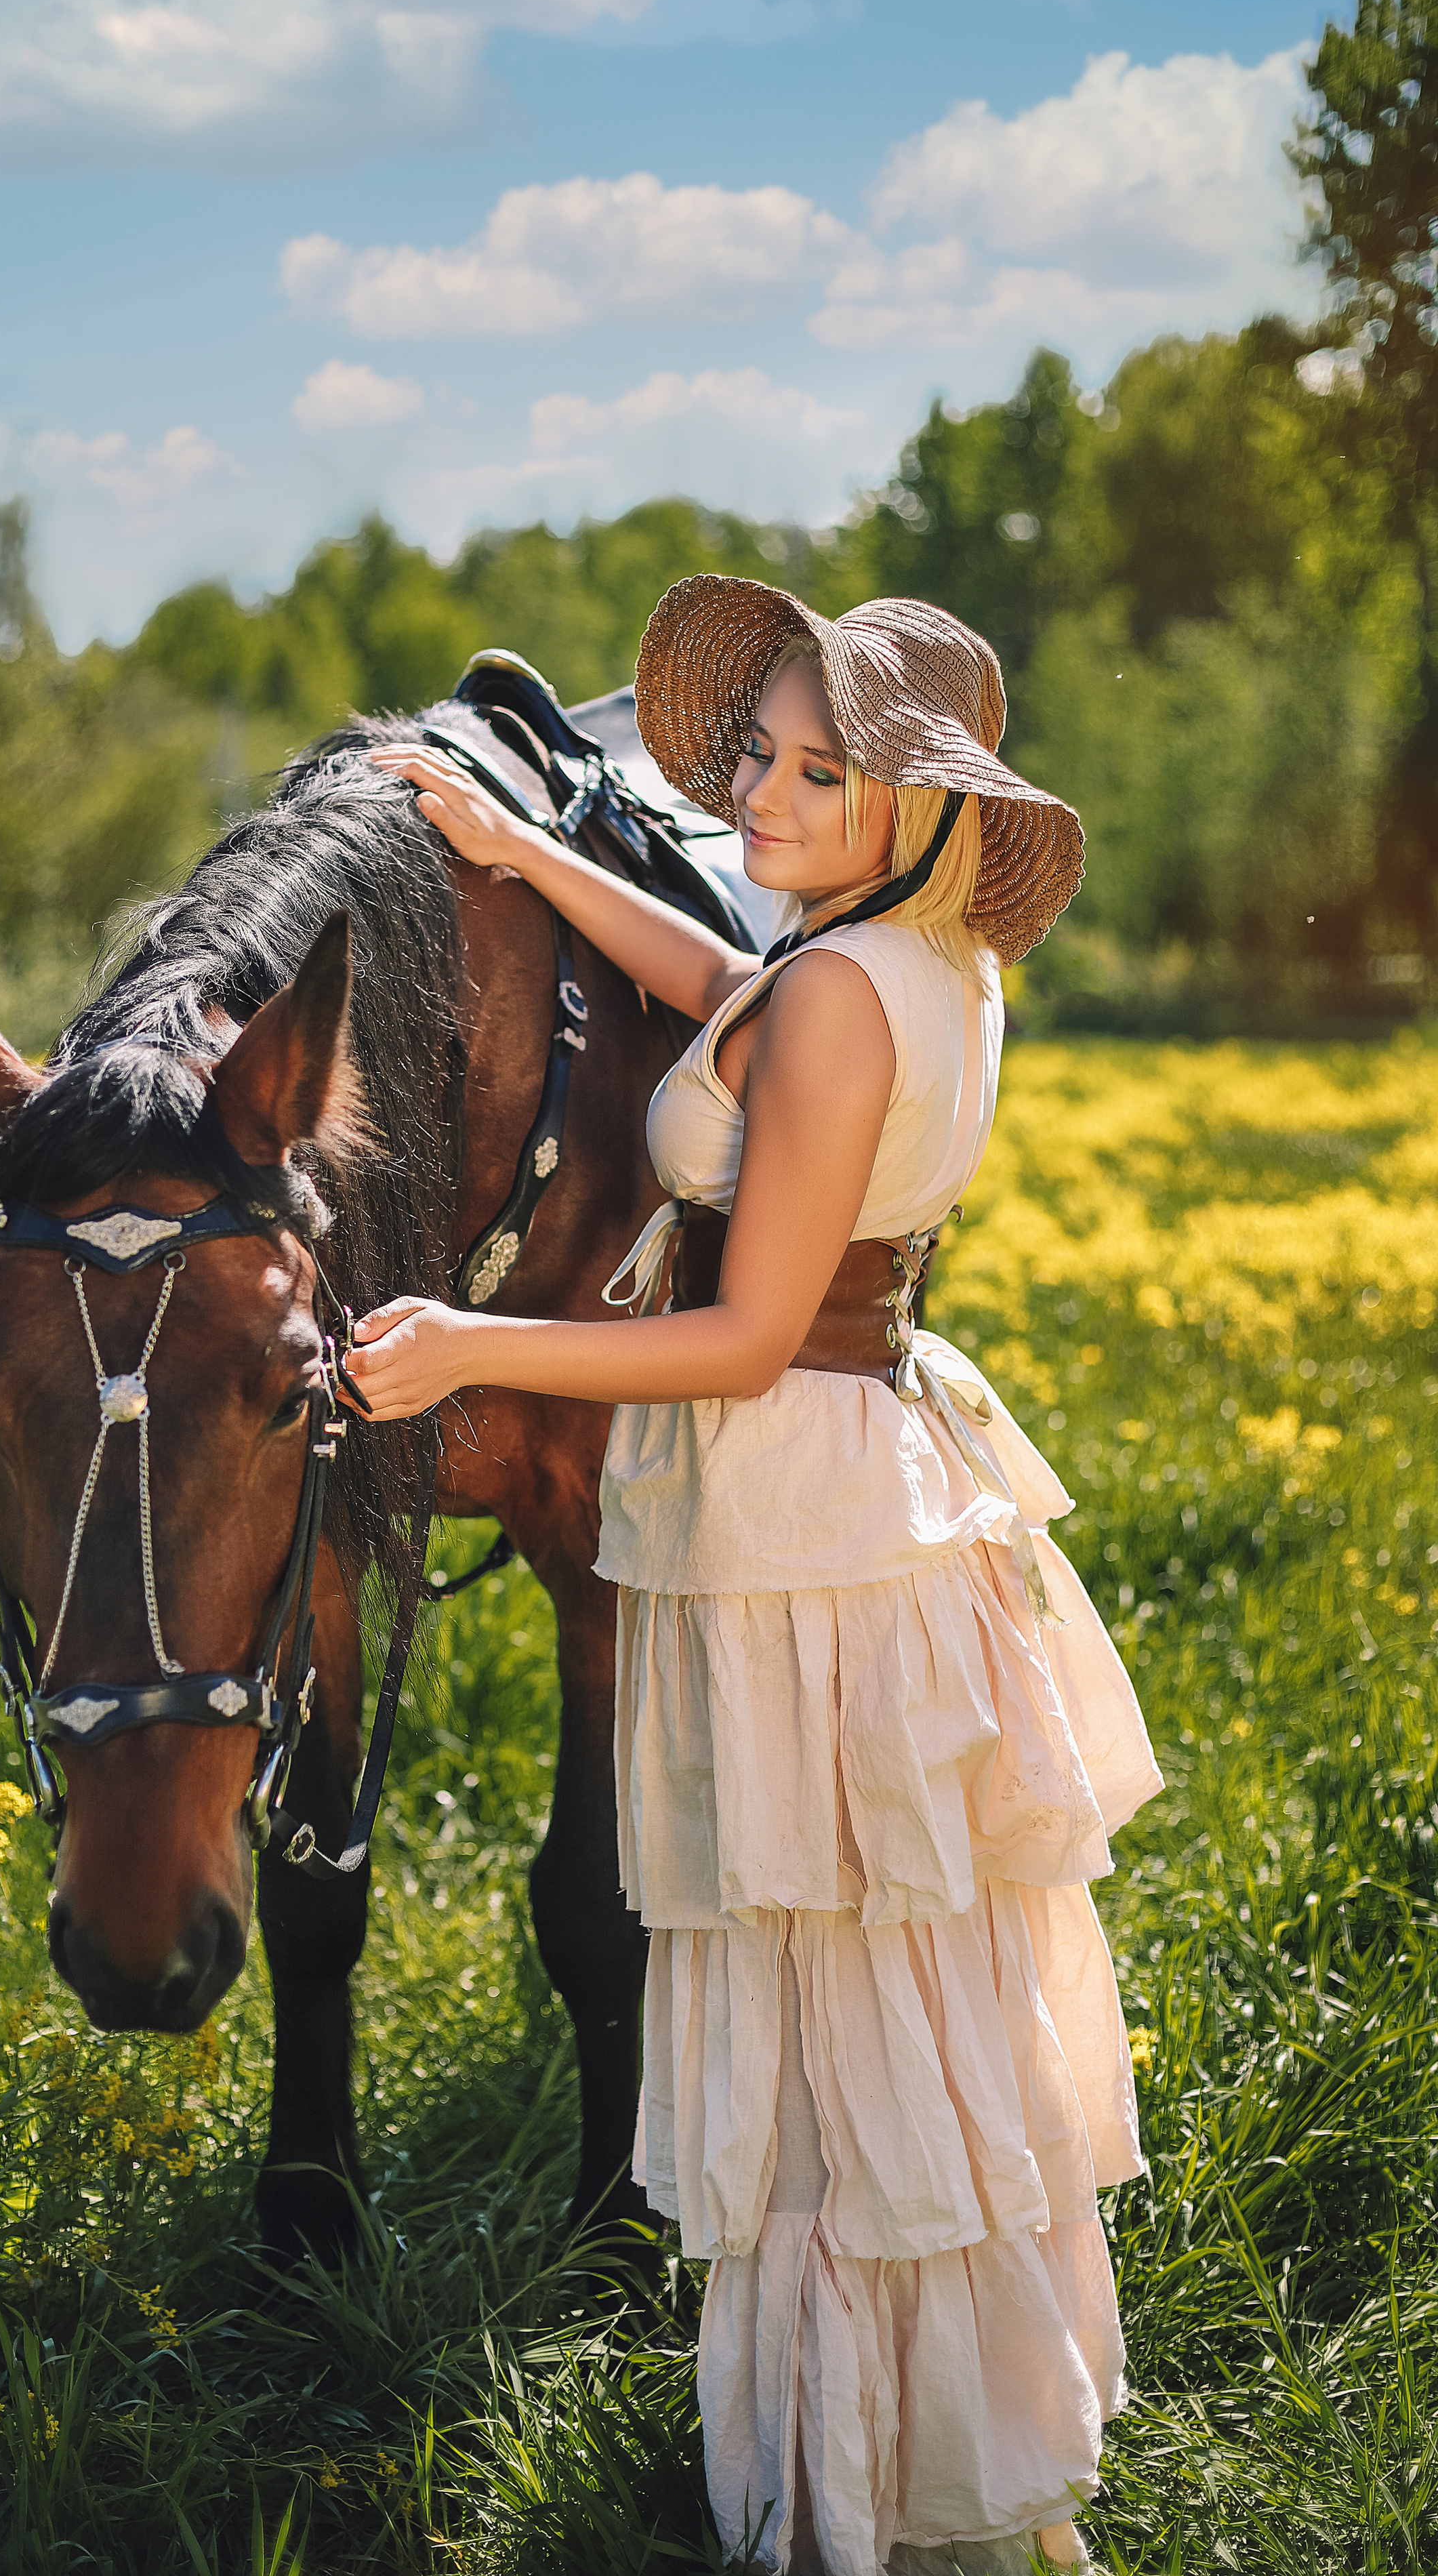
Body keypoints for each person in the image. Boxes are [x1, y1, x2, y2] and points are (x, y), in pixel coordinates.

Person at [353, 577, 1162, 2576]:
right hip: (873, 1468)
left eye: (822, 771)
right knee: (891, 1980)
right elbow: (726, 970)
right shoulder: (919, 961)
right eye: (756, 758)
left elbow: (736, 1333)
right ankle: (928, 2440)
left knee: (817, 2003)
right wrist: (525, 848)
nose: (763, 794)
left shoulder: (828, 993)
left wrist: (468, 1349)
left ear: (913, 803)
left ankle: (846, 2490)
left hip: (790, 1487)